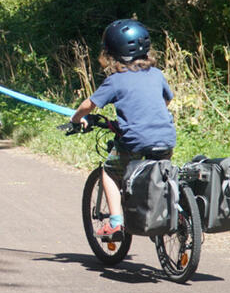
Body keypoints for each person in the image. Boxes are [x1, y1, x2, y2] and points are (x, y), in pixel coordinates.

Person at [70, 19, 176, 239]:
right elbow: (166, 101)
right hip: (166, 137)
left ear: (113, 53)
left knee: (109, 171)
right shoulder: (157, 74)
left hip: (136, 140)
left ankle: (116, 223)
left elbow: (89, 105)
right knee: (160, 174)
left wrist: (77, 118)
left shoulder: (116, 80)